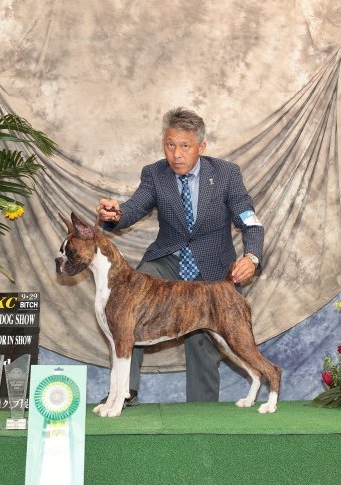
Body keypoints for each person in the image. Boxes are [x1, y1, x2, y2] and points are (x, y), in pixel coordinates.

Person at [96, 107, 264, 404]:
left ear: (201, 147)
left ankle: (200, 408)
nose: (176, 154)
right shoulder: (154, 173)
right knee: (127, 309)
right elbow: (133, 208)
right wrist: (114, 214)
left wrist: (251, 257)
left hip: (212, 265)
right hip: (167, 260)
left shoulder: (226, 174)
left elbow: (249, 220)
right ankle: (123, 393)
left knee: (204, 340)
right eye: (170, 145)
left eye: (185, 146)